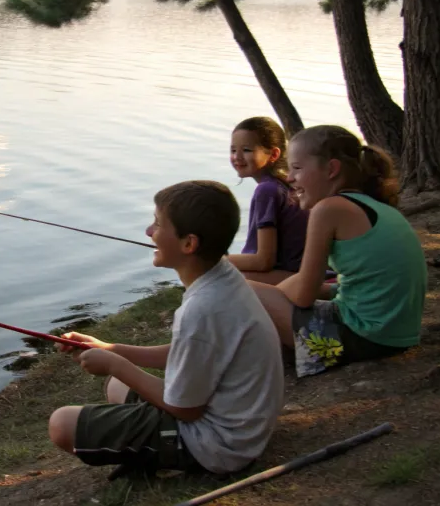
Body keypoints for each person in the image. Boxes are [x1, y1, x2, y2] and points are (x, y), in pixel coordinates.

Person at [48, 180, 284, 477]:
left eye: (158, 224)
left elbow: (187, 410)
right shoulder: (222, 277)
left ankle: (164, 459)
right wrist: (109, 348)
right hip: (239, 425)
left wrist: (115, 364)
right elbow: (188, 352)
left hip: (219, 445)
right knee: (116, 387)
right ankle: (150, 449)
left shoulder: (203, 308)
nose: (149, 231)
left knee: (62, 424)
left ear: (188, 244)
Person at [248, 125, 427, 378]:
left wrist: (275, 297)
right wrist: (280, 295)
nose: (288, 178)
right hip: (393, 335)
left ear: (331, 169)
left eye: (297, 168)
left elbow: (303, 296)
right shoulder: (375, 206)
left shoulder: (329, 209)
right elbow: (361, 285)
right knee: (273, 292)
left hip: (364, 338)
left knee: (241, 288)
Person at [228, 116, 309, 285]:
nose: (237, 157)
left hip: (289, 277)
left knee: (220, 276)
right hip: (301, 272)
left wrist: (212, 258)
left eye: (247, 150)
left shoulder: (267, 191)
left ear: (273, 154)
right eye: (233, 150)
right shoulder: (286, 184)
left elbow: (264, 261)